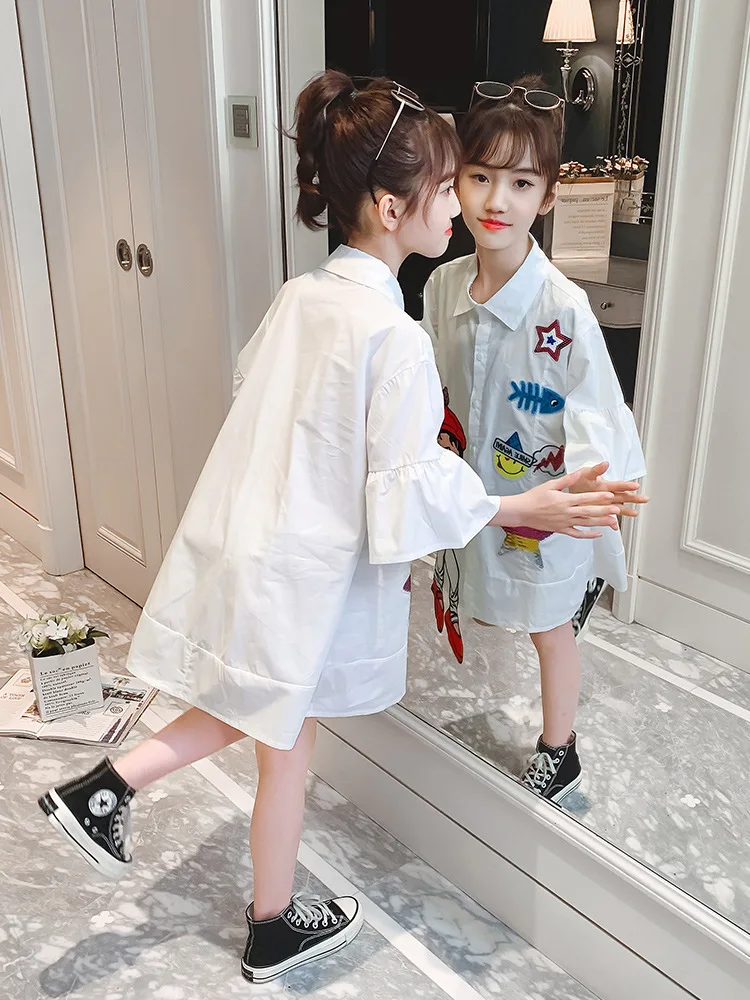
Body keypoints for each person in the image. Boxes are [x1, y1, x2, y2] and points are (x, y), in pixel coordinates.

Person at [38, 71, 638, 985]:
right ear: (395, 207)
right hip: (308, 579)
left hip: (262, 550)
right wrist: (521, 505)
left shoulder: (303, 296)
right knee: (270, 724)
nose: (462, 206)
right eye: (450, 187)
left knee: (274, 732)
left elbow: (271, 402)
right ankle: (125, 802)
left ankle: (233, 890)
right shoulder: (394, 333)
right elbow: (405, 493)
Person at [423, 76, 647, 804]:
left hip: (542, 501)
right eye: (480, 177)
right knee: (482, 588)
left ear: (547, 197)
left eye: (520, 183)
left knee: (549, 627)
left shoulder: (565, 309)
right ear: (455, 180)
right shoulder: (442, 288)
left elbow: (598, 414)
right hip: (477, 488)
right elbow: (429, 383)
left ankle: (561, 747)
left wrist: (593, 499)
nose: (497, 200)